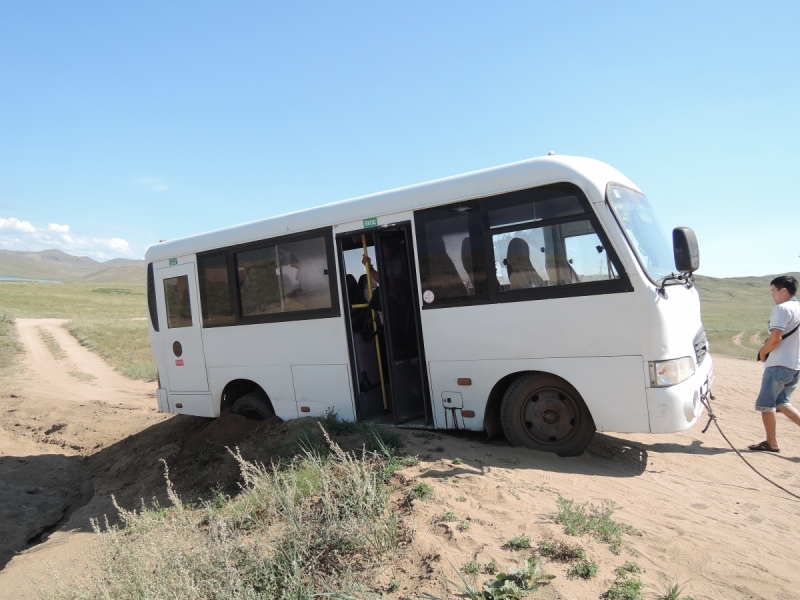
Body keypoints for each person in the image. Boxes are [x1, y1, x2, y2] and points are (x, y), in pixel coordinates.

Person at [749, 275, 800, 452]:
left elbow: (775, 339)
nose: (772, 295)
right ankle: (771, 442)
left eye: (773, 291)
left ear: (783, 290)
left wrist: (763, 353)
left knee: (767, 404)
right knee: (782, 403)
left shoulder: (782, 309)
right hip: (795, 365)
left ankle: (771, 442)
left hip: (778, 363)